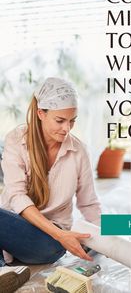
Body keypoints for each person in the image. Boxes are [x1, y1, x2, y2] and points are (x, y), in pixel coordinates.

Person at [0, 77, 101, 267]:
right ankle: (5, 271)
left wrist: (105, 239)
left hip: (47, 243)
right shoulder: (16, 140)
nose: (67, 129)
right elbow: (16, 196)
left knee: (51, 246)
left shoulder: (78, 151)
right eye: (60, 120)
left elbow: (89, 203)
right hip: (12, 228)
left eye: (72, 121)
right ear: (41, 113)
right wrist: (61, 236)